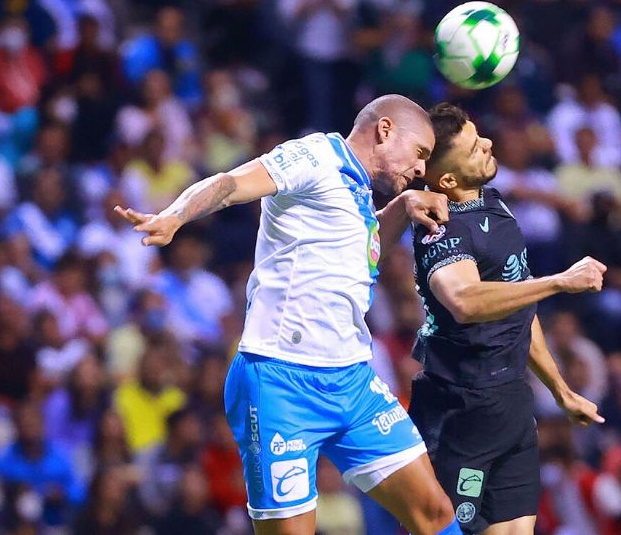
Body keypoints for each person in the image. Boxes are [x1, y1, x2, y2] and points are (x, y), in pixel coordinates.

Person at [115, 94, 459, 535]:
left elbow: (360, 253)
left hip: (351, 379)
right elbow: (230, 183)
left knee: (434, 513)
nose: (420, 170)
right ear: (385, 130)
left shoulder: (355, 194)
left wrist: (401, 208)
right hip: (281, 380)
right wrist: (176, 216)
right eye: (420, 154)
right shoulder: (314, 156)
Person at [407, 103, 606, 534]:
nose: (489, 144)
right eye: (475, 147)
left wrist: (560, 390)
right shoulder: (438, 227)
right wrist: (558, 282)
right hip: (461, 411)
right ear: (446, 180)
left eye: (481, 136)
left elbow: (518, 305)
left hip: (512, 403)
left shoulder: (495, 204)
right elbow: (464, 299)